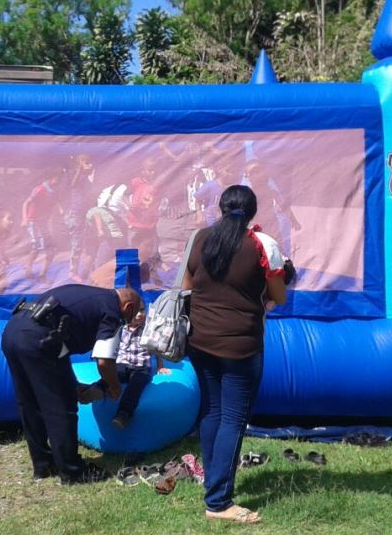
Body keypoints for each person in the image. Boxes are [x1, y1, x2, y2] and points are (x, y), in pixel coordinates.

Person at [181, 185, 286, 525]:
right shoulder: (262, 244)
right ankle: (218, 502)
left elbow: (186, 288)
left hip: (200, 340)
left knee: (212, 411)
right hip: (241, 345)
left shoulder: (200, 239)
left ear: (221, 207)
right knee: (233, 419)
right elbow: (279, 296)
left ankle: (212, 485)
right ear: (252, 211)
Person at [0, 284, 142, 484]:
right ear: (128, 307)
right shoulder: (111, 310)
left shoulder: (92, 295)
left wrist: (72, 382)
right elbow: (104, 361)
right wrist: (114, 385)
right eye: (129, 317)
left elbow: (60, 341)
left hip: (12, 332)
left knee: (29, 403)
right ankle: (72, 472)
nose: (125, 323)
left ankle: (43, 464)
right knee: (61, 408)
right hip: (38, 340)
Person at [81, 307, 172, 429]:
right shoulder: (120, 329)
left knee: (135, 387)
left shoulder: (147, 330)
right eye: (136, 311)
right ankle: (96, 389)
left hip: (141, 368)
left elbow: (156, 348)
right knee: (112, 375)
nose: (140, 314)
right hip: (122, 364)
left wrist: (160, 366)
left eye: (142, 311)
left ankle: (123, 414)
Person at [21, 170, 63, 283]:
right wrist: (24, 219)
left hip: (43, 222)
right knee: (37, 247)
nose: (59, 181)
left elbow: (56, 199)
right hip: (33, 222)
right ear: (52, 178)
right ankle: (28, 266)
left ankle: (42, 275)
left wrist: (60, 208)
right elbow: (26, 203)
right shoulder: (40, 189)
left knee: (51, 250)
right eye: (58, 178)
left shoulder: (53, 190)